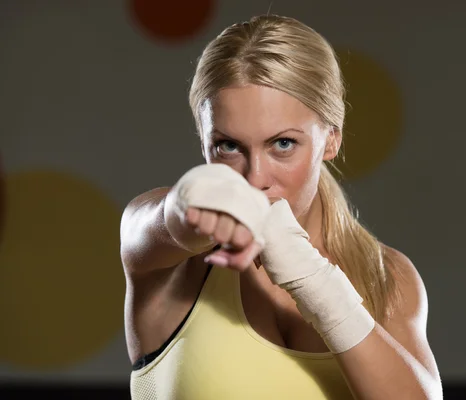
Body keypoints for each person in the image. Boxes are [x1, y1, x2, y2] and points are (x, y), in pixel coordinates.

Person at [120, 14, 442, 400]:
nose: (255, 178)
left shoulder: (387, 277)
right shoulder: (173, 263)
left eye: (283, 144)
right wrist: (196, 198)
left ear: (331, 139)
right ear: (204, 140)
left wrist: (311, 277)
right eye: (228, 146)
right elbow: (168, 219)